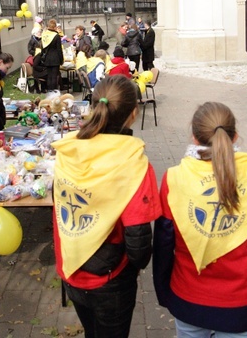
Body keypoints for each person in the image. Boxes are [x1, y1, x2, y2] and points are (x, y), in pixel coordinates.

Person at [153, 101, 247, 338]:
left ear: (194, 137)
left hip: (188, 297)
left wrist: (164, 292)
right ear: (235, 137)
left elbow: (163, 245)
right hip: (243, 303)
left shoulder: (174, 179)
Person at [52, 75, 162, 338]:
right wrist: (133, 269)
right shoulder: (134, 164)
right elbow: (138, 244)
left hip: (71, 267)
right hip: (111, 280)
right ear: (134, 113)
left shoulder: (68, 150)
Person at [40, 18, 64, 92]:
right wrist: (61, 60)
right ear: (55, 26)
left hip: (47, 58)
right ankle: (54, 91)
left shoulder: (44, 35)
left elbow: (42, 47)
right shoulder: (56, 36)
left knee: (49, 76)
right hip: (55, 58)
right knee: (54, 76)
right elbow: (59, 49)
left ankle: (49, 91)